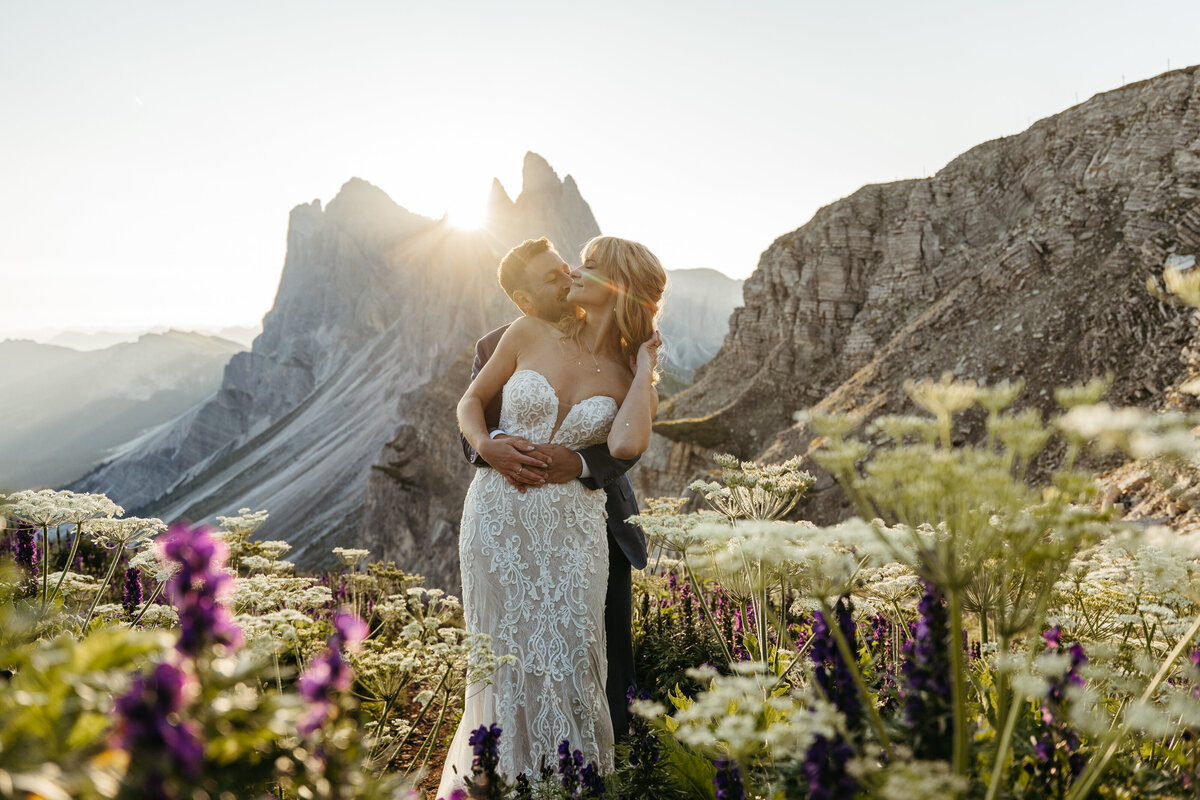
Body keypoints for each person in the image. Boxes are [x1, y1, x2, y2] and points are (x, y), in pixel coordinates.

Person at [437, 236, 665, 794]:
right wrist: (487, 445)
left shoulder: (627, 368)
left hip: (575, 530)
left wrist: (643, 371)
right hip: (497, 520)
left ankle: (568, 783)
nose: (570, 275)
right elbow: (471, 402)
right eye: (566, 269)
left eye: (584, 267)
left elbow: (628, 445)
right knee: (498, 662)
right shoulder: (525, 332)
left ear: (619, 286)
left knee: (572, 660)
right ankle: (497, 783)